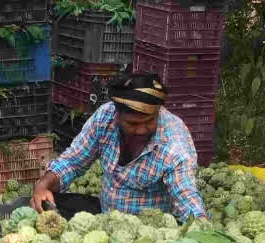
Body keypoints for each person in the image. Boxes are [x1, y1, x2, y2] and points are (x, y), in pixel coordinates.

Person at [31, 73, 207, 222]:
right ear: (117, 116)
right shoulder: (104, 118)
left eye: (149, 121)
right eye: (132, 123)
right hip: (106, 214)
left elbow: (186, 195)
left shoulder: (174, 145)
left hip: (145, 230)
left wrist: (200, 228)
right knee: (44, 207)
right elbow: (73, 161)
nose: (141, 130)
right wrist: (44, 184)